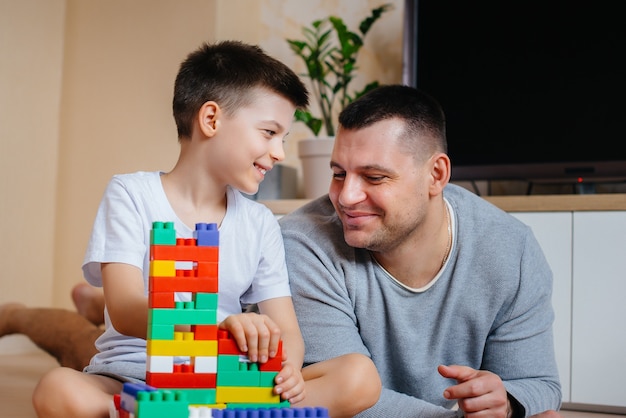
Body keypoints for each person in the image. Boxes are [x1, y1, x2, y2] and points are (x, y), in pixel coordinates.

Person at [29, 40, 380, 418]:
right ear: (211, 119)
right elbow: (126, 308)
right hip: (134, 376)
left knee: (359, 375)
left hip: (227, 384)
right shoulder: (132, 194)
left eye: (284, 138)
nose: (279, 152)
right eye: (268, 133)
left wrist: (289, 368)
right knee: (57, 389)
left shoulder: (260, 222)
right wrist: (219, 323)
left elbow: (287, 331)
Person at [278, 84, 563, 418]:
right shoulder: (301, 243)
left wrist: (505, 403)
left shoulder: (510, 248)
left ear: (436, 175)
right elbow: (340, 401)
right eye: (339, 174)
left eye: (374, 177)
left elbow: (539, 383)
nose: (346, 197)